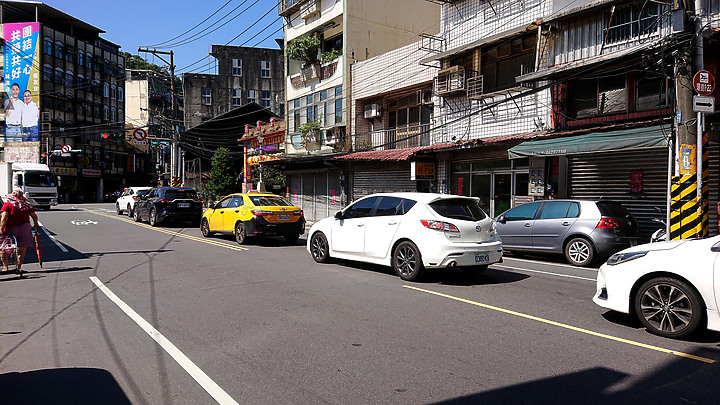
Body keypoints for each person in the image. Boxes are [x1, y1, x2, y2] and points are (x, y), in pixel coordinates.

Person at [0, 190, 39, 273]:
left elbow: (4, 216)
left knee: (4, 248)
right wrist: (35, 224)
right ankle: (18, 267)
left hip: (10, 229)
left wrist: (1, 228)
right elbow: (34, 216)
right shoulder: (27, 205)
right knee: (22, 248)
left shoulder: (8, 205)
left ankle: (5, 267)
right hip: (25, 228)